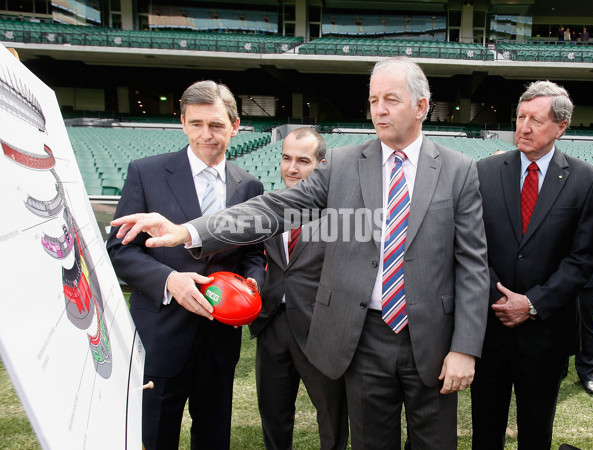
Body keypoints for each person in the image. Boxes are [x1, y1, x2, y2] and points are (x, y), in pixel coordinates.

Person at [111, 56, 490, 449]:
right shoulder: (343, 164)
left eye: (391, 99)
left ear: (422, 106)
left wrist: (464, 347)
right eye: (374, 98)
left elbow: (473, 266)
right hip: (363, 337)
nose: (379, 109)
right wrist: (189, 231)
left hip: (431, 338)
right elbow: (274, 209)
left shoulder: (459, 170)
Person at [106, 80, 267, 450]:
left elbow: (253, 254)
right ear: (182, 123)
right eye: (196, 124)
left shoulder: (249, 187)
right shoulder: (146, 173)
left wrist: (252, 284)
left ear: (235, 125)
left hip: (219, 341)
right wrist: (170, 281)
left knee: (213, 439)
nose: (205, 135)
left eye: (215, 125)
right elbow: (120, 251)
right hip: (160, 336)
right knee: (153, 437)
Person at [472, 80, 593, 450]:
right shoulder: (484, 172)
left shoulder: (586, 180)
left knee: (536, 434)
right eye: (520, 117)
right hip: (489, 329)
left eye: (536, 120)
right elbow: (472, 245)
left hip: (546, 334)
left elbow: (582, 259)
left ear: (561, 127)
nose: (524, 127)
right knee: (485, 430)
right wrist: (501, 299)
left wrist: (531, 304)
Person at [252, 127, 348, 450]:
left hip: (319, 329)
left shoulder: (341, 216)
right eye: (286, 159)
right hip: (271, 326)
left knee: (332, 419)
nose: (292, 168)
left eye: (302, 161)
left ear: (320, 165)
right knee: (274, 416)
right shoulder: (266, 206)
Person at [573, 265, 593, 394]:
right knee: (556, 323)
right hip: (556, 276)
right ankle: (559, 369)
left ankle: (588, 373)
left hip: (588, 277)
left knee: (586, 325)